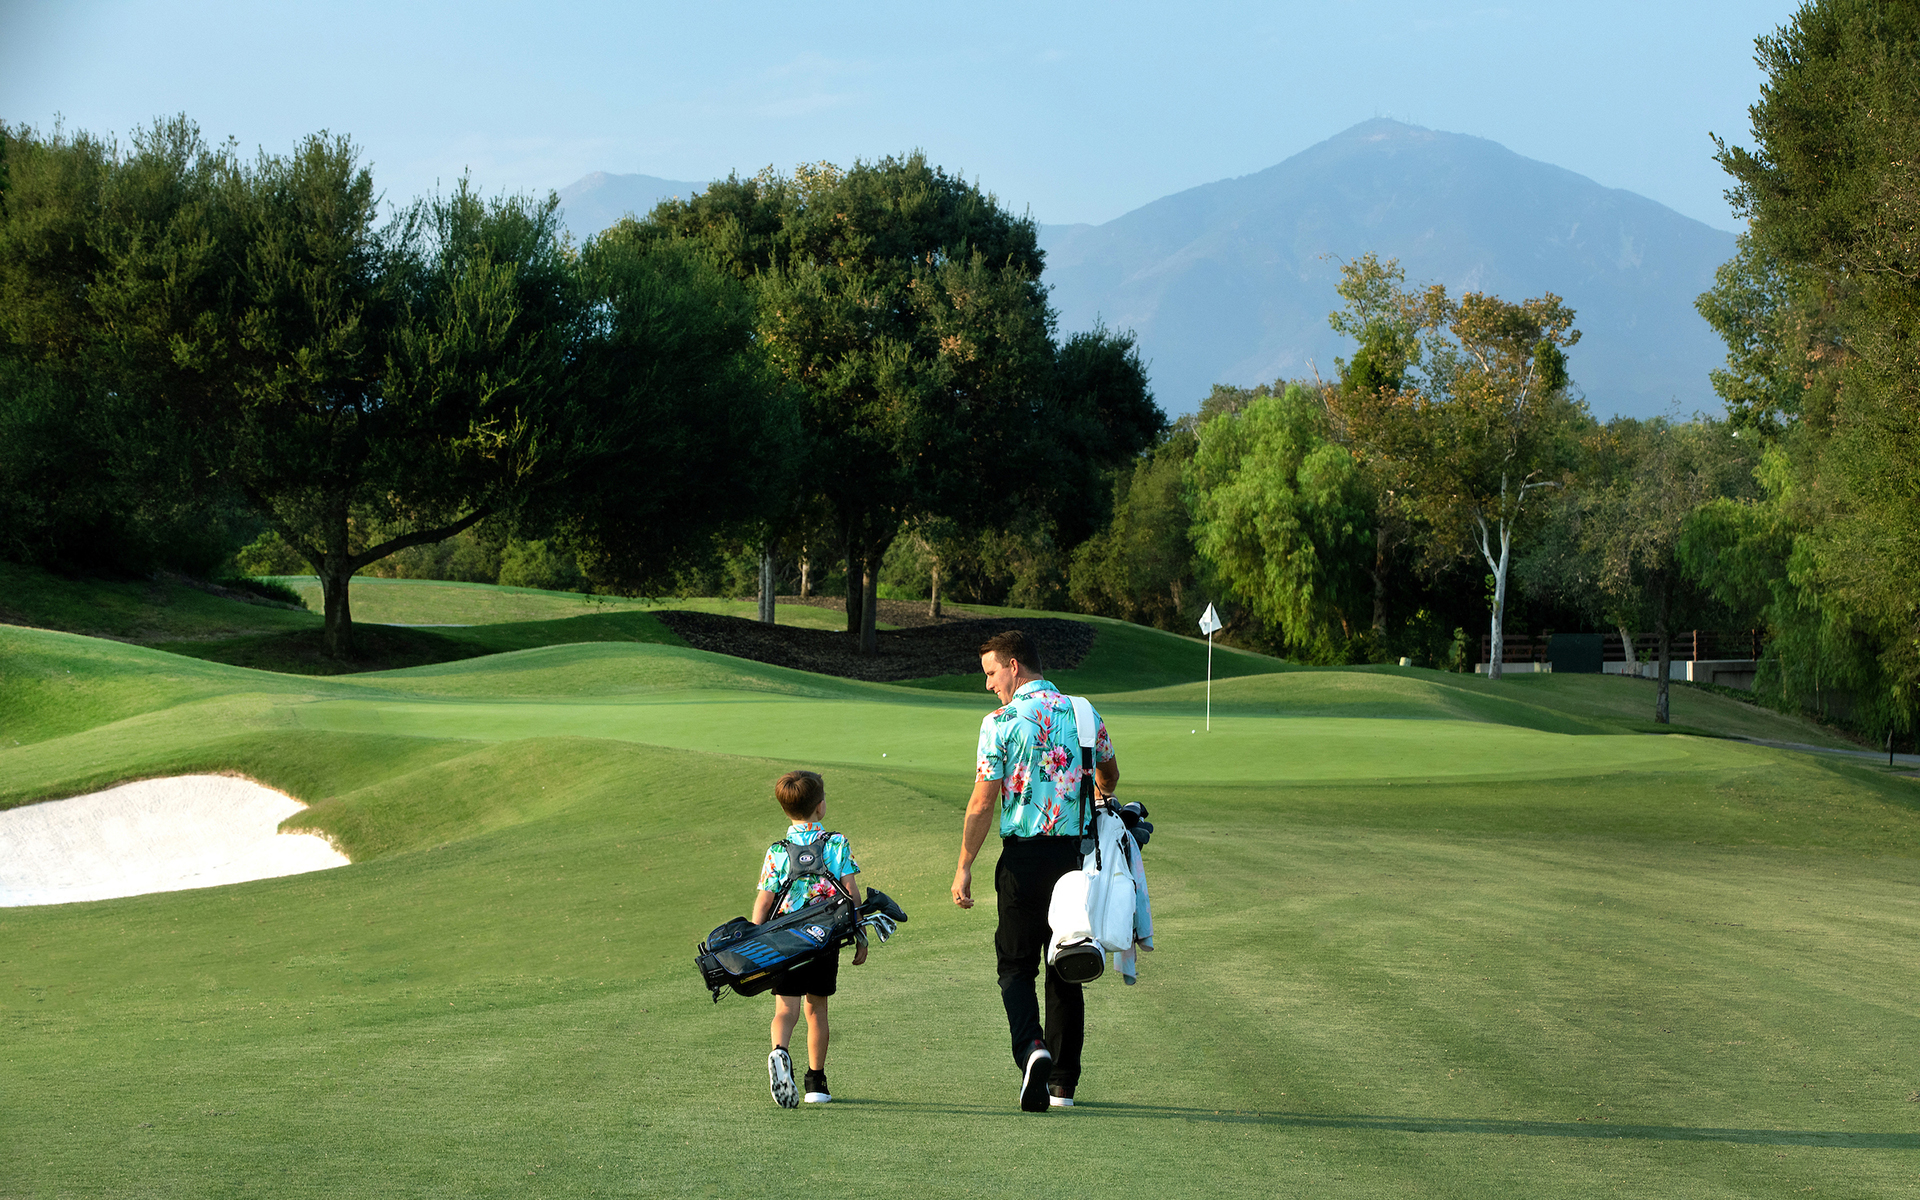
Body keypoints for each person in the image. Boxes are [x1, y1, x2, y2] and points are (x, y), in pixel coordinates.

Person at [951, 630, 1119, 1113]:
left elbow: (982, 803)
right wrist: (1095, 792)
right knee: (1067, 963)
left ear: (1014, 666)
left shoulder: (999, 722)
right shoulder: (1084, 712)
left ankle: (1031, 1049)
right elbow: (1109, 775)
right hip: (1075, 861)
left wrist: (964, 866)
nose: (988, 685)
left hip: (1023, 859)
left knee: (1015, 966)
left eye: (991, 673)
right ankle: (1063, 1086)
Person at [752, 769, 867, 1107]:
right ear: (820, 806)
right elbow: (851, 892)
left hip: (784, 941)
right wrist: (860, 934)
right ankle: (816, 1083)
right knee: (816, 1008)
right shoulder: (836, 842)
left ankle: (779, 1051)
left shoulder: (776, 851)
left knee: (785, 1009)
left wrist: (755, 943)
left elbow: (764, 901)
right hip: (823, 938)